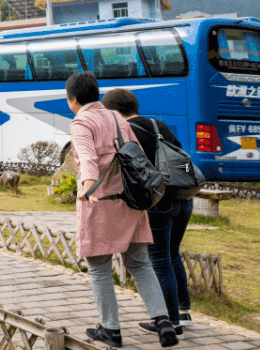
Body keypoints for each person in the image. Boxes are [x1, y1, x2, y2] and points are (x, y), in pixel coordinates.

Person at [67, 72, 179, 348]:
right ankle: (163, 321)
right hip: (130, 201)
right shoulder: (117, 117)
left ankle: (111, 330)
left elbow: (86, 156)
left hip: (101, 202)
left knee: (99, 267)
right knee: (141, 264)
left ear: (75, 100)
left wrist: (88, 186)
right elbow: (136, 154)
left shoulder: (82, 120)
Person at [103, 88, 193, 336]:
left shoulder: (126, 132)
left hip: (159, 202)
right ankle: (183, 311)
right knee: (172, 253)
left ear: (113, 113)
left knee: (159, 261)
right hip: (183, 198)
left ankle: (171, 322)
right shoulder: (157, 124)